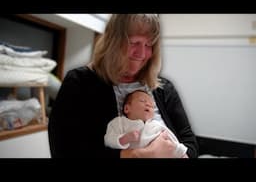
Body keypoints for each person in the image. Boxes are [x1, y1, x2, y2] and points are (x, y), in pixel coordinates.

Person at [48, 14, 198, 158]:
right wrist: (138, 155)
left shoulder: (164, 88)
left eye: (149, 44)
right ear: (113, 41)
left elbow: (190, 143)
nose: (142, 53)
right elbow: (64, 150)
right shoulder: (79, 82)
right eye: (134, 42)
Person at [104, 90, 188, 158]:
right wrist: (124, 139)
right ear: (127, 108)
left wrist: (183, 154)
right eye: (142, 101)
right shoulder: (120, 123)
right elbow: (109, 139)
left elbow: (174, 144)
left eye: (152, 106)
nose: (148, 104)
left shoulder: (156, 125)